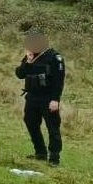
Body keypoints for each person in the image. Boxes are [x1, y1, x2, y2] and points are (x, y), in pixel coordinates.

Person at [15, 28, 65, 166]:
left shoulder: (54, 57)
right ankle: (40, 152)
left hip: (48, 98)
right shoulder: (30, 56)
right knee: (30, 123)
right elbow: (19, 74)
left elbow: (58, 80)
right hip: (32, 97)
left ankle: (54, 157)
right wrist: (28, 63)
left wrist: (55, 99)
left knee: (52, 128)